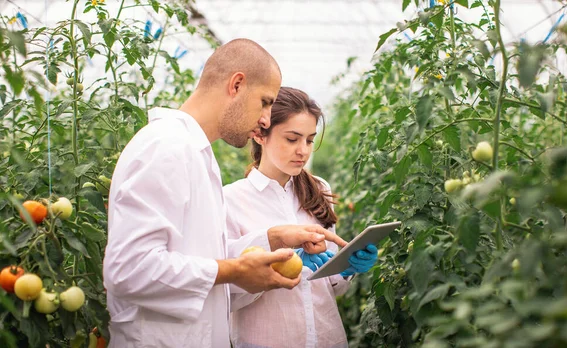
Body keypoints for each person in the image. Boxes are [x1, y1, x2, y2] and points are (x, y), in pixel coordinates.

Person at [102, 39, 347, 348]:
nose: (266, 120)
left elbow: (200, 259)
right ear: (237, 85)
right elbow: (128, 270)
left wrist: (272, 238)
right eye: (265, 102)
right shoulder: (166, 148)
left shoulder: (196, 154)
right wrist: (233, 270)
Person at [224, 87, 379, 348]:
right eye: (292, 139)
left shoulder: (318, 189)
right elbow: (226, 296)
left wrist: (346, 267)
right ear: (261, 134)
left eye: (309, 140)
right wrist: (276, 264)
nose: (303, 151)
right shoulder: (230, 200)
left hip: (327, 337)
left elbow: (332, 287)